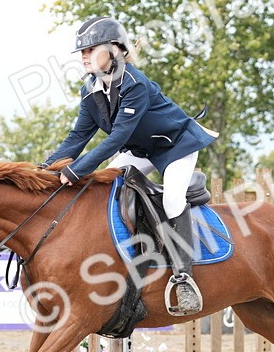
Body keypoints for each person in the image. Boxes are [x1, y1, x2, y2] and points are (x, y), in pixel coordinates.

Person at [40, 16, 216, 316]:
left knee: (173, 200)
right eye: (82, 51)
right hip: (140, 150)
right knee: (105, 188)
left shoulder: (136, 84)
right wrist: (47, 168)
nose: (84, 56)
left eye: (91, 50)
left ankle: (183, 278)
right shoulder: (90, 90)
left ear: (115, 50)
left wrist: (76, 170)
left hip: (175, 146)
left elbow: (117, 137)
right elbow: (78, 136)